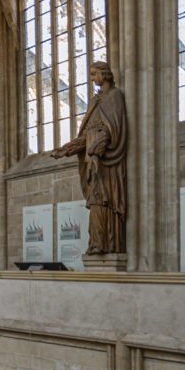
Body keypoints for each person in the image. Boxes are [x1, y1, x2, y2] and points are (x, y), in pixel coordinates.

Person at [51, 61, 127, 255]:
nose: (93, 79)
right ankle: (96, 242)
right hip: (92, 161)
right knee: (95, 202)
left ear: (105, 73)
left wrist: (96, 150)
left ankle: (107, 244)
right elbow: (85, 135)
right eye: (91, 75)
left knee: (104, 201)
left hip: (107, 162)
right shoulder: (95, 100)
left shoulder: (115, 96)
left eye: (95, 74)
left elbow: (112, 129)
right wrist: (66, 149)